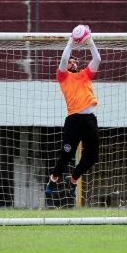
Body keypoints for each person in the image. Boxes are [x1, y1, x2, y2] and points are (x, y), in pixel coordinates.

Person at [46, 26, 101, 197]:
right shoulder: (63, 76)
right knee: (67, 155)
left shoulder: (85, 74)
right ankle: (53, 179)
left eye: (75, 61)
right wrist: (71, 41)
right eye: (71, 61)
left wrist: (90, 41)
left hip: (90, 119)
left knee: (92, 157)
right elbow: (63, 59)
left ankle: (74, 179)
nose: (73, 62)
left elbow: (97, 59)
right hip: (74, 121)